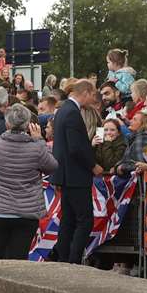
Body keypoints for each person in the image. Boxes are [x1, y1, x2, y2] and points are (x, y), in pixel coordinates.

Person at [0, 102, 56, 260]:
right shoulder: (36, 148)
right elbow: (52, 166)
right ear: (28, 124)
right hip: (26, 213)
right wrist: (39, 140)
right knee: (19, 260)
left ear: (7, 123)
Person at [50, 78, 98, 264]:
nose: (93, 99)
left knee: (68, 220)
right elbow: (76, 147)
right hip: (76, 175)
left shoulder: (63, 111)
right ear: (85, 92)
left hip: (65, 174)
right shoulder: (72, 113)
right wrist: (93, 165)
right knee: (85, 220)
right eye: (92, 95)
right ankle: (74, 258)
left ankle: (64, 257)